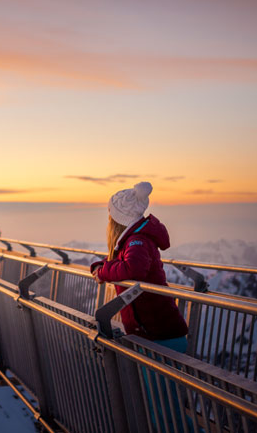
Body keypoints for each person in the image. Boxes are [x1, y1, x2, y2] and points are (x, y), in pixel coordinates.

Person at [90, 182, 190, 431]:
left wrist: (103, 271)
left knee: (166, 411)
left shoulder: (137, 239)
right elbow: (124, 261)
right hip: (157, 333)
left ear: (118, 218)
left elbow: (134, 268)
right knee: (163, 407)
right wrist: (101, 265)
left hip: (160, 336)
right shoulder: (134, 239)